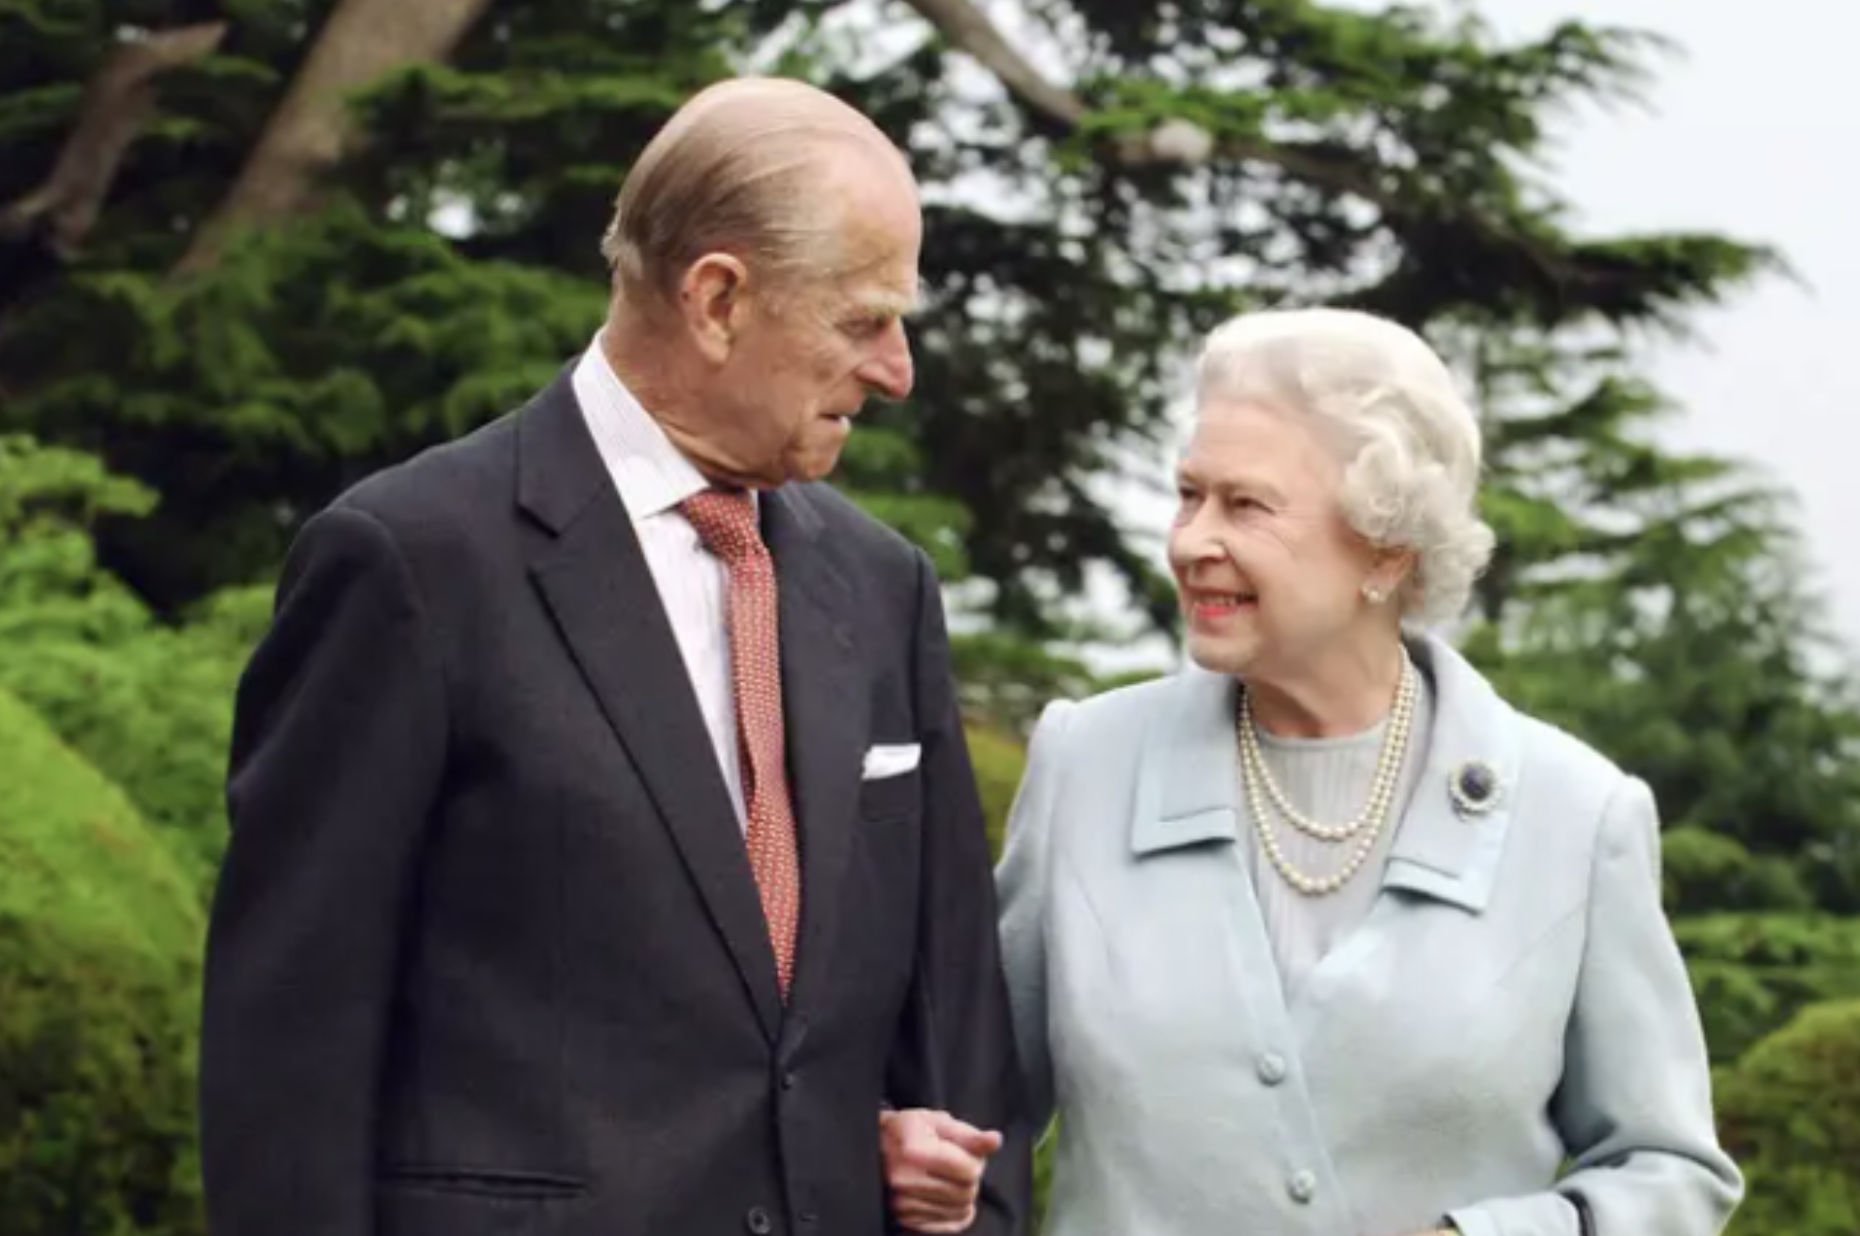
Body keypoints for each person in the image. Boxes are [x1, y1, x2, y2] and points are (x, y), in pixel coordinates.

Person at [200, 76, 1029, 1236]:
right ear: (718, 299)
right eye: (862, 320)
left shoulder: (886, 588)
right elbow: (287, 1050)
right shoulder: (408, 563)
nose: (896, 370)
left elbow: (955, 1038)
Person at [882, 307, 1744, 1236]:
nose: (1189, 541)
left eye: (1245, 505)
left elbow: (1672, 1172)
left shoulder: (1577, 816)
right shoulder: (1085, 763)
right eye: (1187, 494)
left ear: (1385, 547)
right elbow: (970, 1100)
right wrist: (911, 1144)